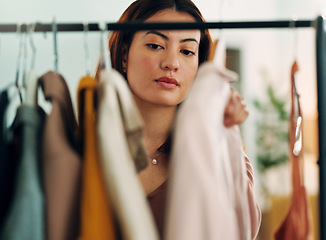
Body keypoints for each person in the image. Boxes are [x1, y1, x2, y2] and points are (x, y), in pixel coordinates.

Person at [99, 0, 261, 238]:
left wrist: (224, 131)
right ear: (124, 55)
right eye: (155, 45)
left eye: (187, 51)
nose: (171, 63)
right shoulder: (88, 149)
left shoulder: (222, 159)